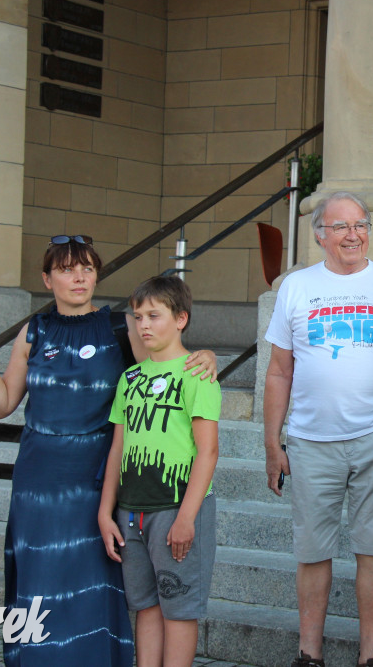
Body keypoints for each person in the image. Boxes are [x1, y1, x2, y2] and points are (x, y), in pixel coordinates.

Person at [0, 235, 216, 666]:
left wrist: (207, 355)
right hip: (38, 485)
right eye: (66, 269)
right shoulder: (35, 331)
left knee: (92, 588)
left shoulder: (122, 327)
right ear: (48, 279)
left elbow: (164, 362)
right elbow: (2, 403)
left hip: (97, 483)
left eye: (86, 267)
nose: (78, 276)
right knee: (42, 582)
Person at [263, 191, 373, 667]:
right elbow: (278, 371)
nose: (353, 235)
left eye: (360, 225)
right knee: (312, 551)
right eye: (340, 227)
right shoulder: (296, 288)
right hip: (310, 441)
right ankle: (309, 655)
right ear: (319, 235)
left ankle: (370, 656)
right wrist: (271, 443)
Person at [99, 275, 221, 667]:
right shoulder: (130, 379)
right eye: (137, 317)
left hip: (176, 508)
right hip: (131, 510)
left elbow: (208, 452)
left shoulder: (197, 375)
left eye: (154, 315)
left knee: (179, 608)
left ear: (181, 318)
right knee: (146, 607)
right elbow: (118, 447)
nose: (143, 325)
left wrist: (187, 517)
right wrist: (106, 511)